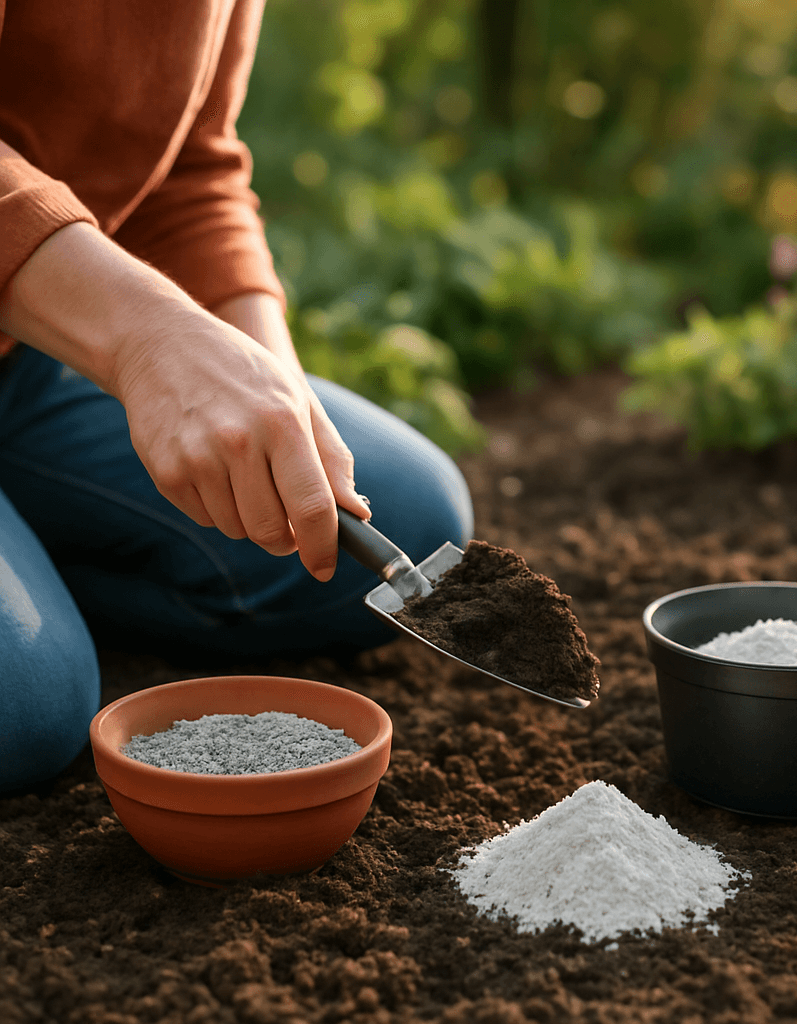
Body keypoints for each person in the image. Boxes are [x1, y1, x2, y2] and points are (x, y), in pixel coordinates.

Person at [0, 0, 474, 794]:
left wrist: (273, 382)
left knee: (403, 521)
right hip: (72, 315)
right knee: (27, 709)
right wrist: (146, 337)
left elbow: (188, 165)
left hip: (30, 340)